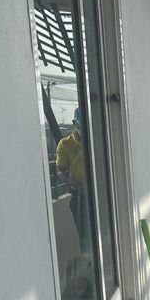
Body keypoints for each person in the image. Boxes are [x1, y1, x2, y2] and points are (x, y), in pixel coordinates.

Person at [55, 108, 91, 253]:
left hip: (99, 190)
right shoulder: (65, 144)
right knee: (84, 233)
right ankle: (87, 254)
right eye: (81, 126)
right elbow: (60, 169)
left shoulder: (96, 139)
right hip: (80, 194)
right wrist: (69, 181)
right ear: (75, 124)